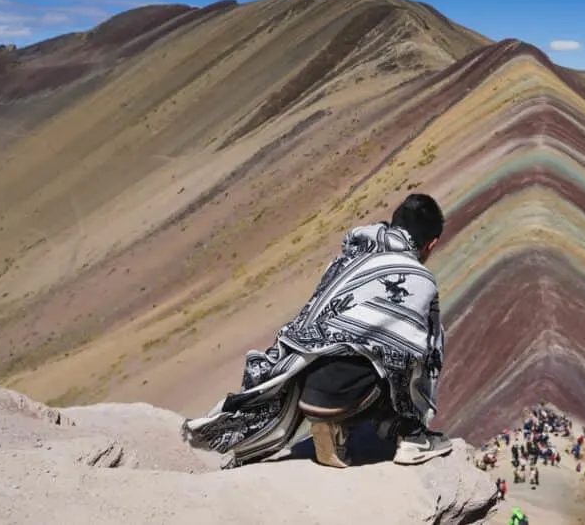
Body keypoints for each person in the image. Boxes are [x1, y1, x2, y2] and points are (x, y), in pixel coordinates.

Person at [181, 194, 451, 469]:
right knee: (423, 336)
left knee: (367, 344)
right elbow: (407, 356)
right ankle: (411, 437)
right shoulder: (417, 279)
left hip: (304, 384)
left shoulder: (351, 256)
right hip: (344, 396)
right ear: (431, 244)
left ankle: (337, 428)